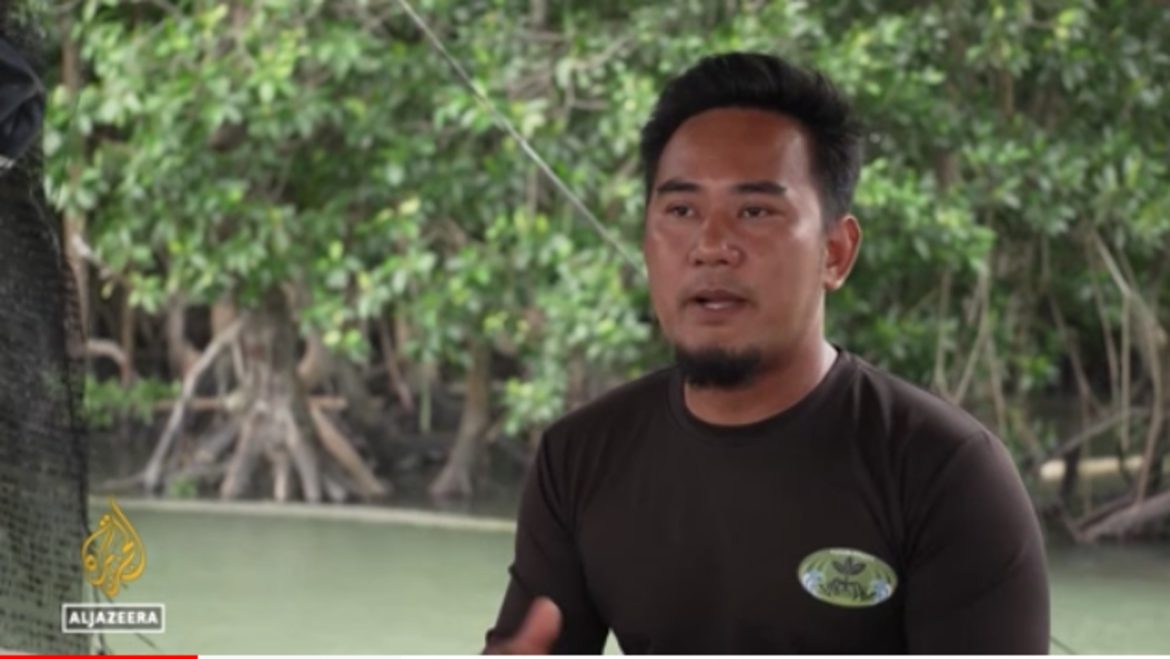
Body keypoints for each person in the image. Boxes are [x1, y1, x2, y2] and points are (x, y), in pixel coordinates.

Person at [484, 52, 1049, 654]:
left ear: (835, 252)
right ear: (646, 239)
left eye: (755, 211)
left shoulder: (945, 472)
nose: (711, 246)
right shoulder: (579, 458)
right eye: (681, 210)